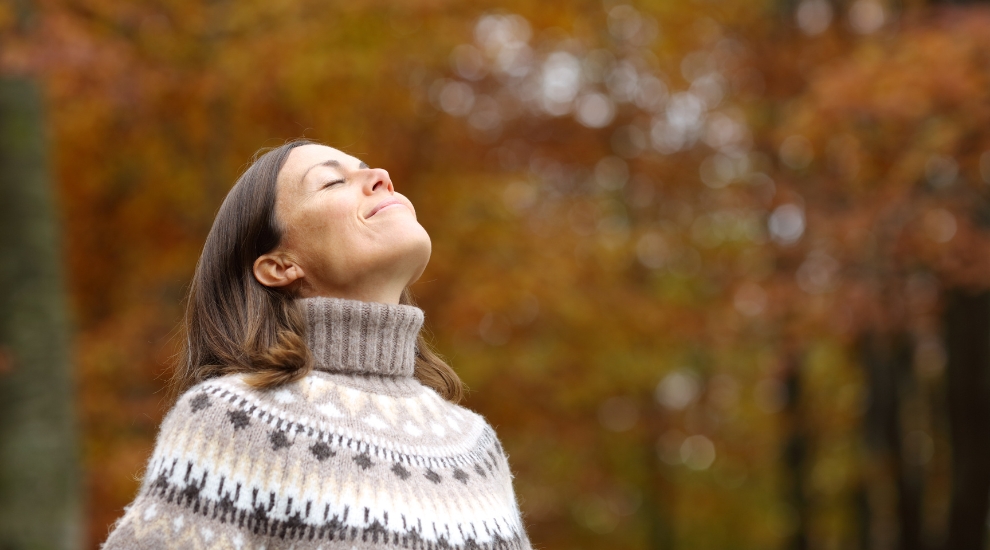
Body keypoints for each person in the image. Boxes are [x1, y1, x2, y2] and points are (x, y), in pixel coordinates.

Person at [102, 140, 531, 549]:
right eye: (333, 182)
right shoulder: (235, 421)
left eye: (368, 170)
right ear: (280, 266)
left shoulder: (475, 447)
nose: (381, 175)